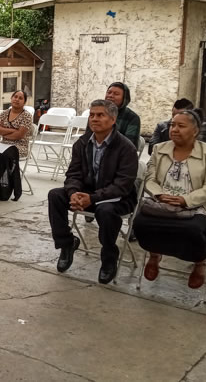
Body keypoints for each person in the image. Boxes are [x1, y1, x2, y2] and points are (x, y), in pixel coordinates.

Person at [132, 110, 206, 289]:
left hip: (197, 204)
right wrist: (159, 195)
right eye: (172, 125)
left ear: (195, 131)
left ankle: (199, 261)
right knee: (140, 223)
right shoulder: (160, 149)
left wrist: (185, 200)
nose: (174, 129)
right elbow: (149, 179)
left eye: (181, 126)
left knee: (192, 229)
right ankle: (155, 253)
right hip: (163, 202)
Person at [48, 99, 139, 283]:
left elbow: (122, 185)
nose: (94, 119)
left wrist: (93, 198)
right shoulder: (82, 143)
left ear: (113, 119)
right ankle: (67, 243)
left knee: (105, 210)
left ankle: (109, 256)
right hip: (88, 193)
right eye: (91, 115)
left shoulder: (126, 148)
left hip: (117, 198)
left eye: (100, 115)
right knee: (55, 195)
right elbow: (73, 174)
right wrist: (74, 193)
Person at [0, 90, 34, 197]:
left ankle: (1, 185)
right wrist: (13, 130)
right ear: (11, 98)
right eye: (15, 96)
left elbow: (19, 135)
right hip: (3, 144)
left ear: (24, 102)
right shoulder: (5, 113)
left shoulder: (26, 116)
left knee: (4, 154)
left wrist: (4, 132)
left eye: (20, 98)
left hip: (19, 146)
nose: (17, 99)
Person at [85, 82, 141, 148]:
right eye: (109, 92)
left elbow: (130, 147)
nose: (110, 96)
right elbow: (86, 139)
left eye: (116, 94)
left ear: (124, 98)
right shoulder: (96, 114)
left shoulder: (132, 118)